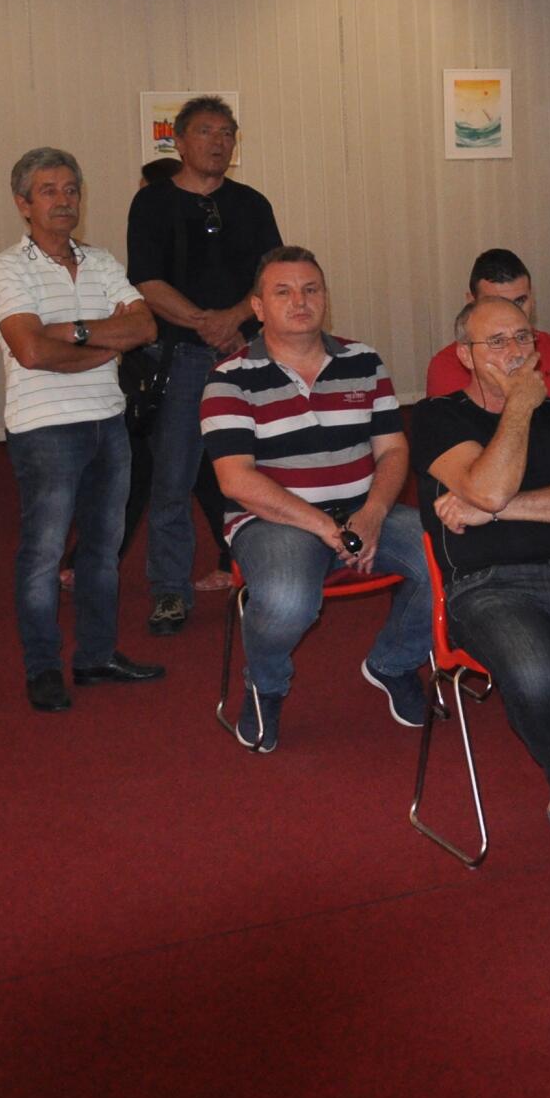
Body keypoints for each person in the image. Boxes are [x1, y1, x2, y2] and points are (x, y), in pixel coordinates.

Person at [413, 295, 550, 873]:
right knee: (537, 676)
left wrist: (493, 512)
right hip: (487, 587)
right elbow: (489, 484)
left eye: (522, 339)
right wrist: (518, 406)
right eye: (497, 342)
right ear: (465, 355)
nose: (515, 352)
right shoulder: (437, 417)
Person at [201, 248, 434, 754]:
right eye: (282, 292)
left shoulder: (363, 360)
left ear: (325, 298)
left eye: (311, 290)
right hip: (272, 522)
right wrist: (327, 528)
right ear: (258, 307)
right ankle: (265, 687)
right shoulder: (229, 377)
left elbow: (394, 451)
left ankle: (393, 663)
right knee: (289, 601)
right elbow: (236, 480)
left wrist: (372, 515)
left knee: (451, 561)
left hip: (362, 510)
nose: (300, 301)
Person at [0, 148, 165, 712]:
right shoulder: (6, 269)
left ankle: (95, 656)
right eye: (48, 191)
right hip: (45, 429)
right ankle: (42, 667)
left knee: (102, 550)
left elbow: (144, 326)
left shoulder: (102, 261)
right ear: (23, 204)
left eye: (71, 190)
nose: (63, 201)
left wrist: (74, 331)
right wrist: (103, 344)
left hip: (108, 423)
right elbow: (32, 351)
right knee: (43, 554)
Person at [127, 96, 281, 636]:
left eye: (227, 133)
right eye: (206, 131)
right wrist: (204, 324)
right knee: (172, 479)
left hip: (248, 352)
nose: (219, 142)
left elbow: (272, 278)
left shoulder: (252, 204)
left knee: (261, 473)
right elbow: (145, 282)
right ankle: (170, 590)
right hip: (182, 359)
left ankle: (266, 576)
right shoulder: (152, 203)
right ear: (178, 141)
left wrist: (234, 319)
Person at [116, 157, 229, 571]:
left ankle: (232, 561)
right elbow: (145, 292)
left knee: (178, 473)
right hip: (170, 361)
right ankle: (175, 578)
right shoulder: (150, 226)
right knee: (174, 474)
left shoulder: (227, 217)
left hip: (191, 360)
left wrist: (219, 326)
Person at [421, 248, 550, 428]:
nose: (511, 311)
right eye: (497, 302)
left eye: (520, 301)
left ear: (532, 299)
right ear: (471, 302)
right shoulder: (448, 363)